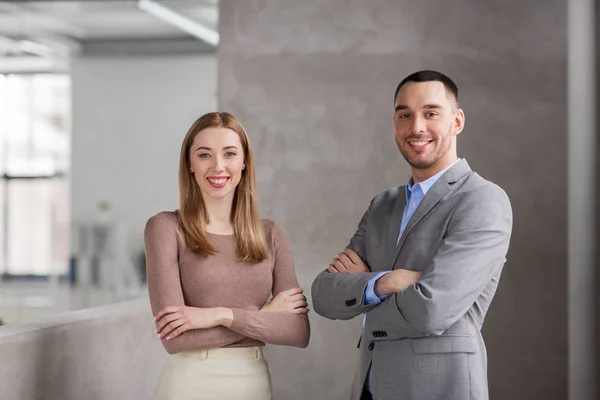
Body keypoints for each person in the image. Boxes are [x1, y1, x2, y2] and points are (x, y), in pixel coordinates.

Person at [311, 70, 512, 400]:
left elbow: (433, 309)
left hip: (440, 389)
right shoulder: (382, 206)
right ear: (395, 124)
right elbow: (323, 294)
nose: (416, 127)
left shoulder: (481, 199)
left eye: (431, 113)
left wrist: (362, 291)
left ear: (457, 121)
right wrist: (386, 281)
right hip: (369, 387)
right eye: (405, 115)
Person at [145, 112, 310, 400]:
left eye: (229, 153)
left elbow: (298, 331)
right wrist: (263, 317)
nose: (218, 166)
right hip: (190, 383)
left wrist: (220, 315)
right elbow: (175, 339)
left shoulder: (270, 234)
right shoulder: (166, 228)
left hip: (254, 383)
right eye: (204, 154)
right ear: (190, 164)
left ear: (244, 162)